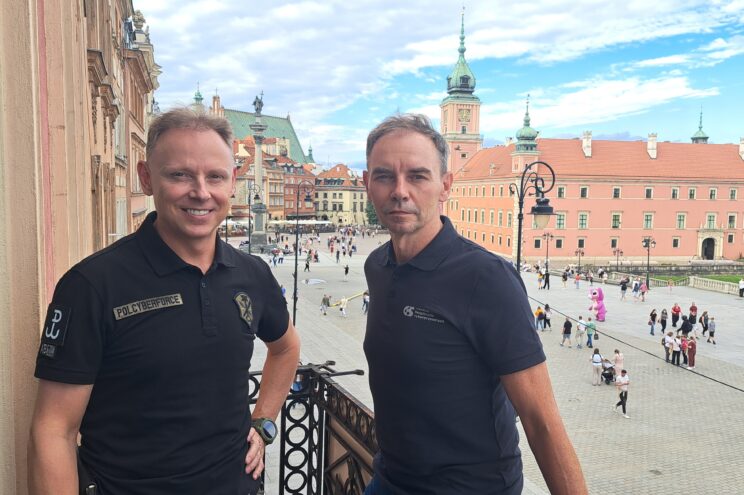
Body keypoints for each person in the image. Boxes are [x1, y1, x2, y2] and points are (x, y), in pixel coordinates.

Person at [28, 108, 301, 495]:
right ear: (146, 178)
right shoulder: (91, 285)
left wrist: (265, 422)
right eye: (180, 175)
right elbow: (53, 430)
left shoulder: (251, 274)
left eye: (215, 176)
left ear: (232, 182)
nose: (201, 192)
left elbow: (286, 347)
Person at [362, 114, 586, 494]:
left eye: (417, 176)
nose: (400, 191)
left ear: (445, 186)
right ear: (367, 184)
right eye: (385, 176)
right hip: (390, 479)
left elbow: (541, 421)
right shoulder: (377, 266)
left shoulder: (486, 278)